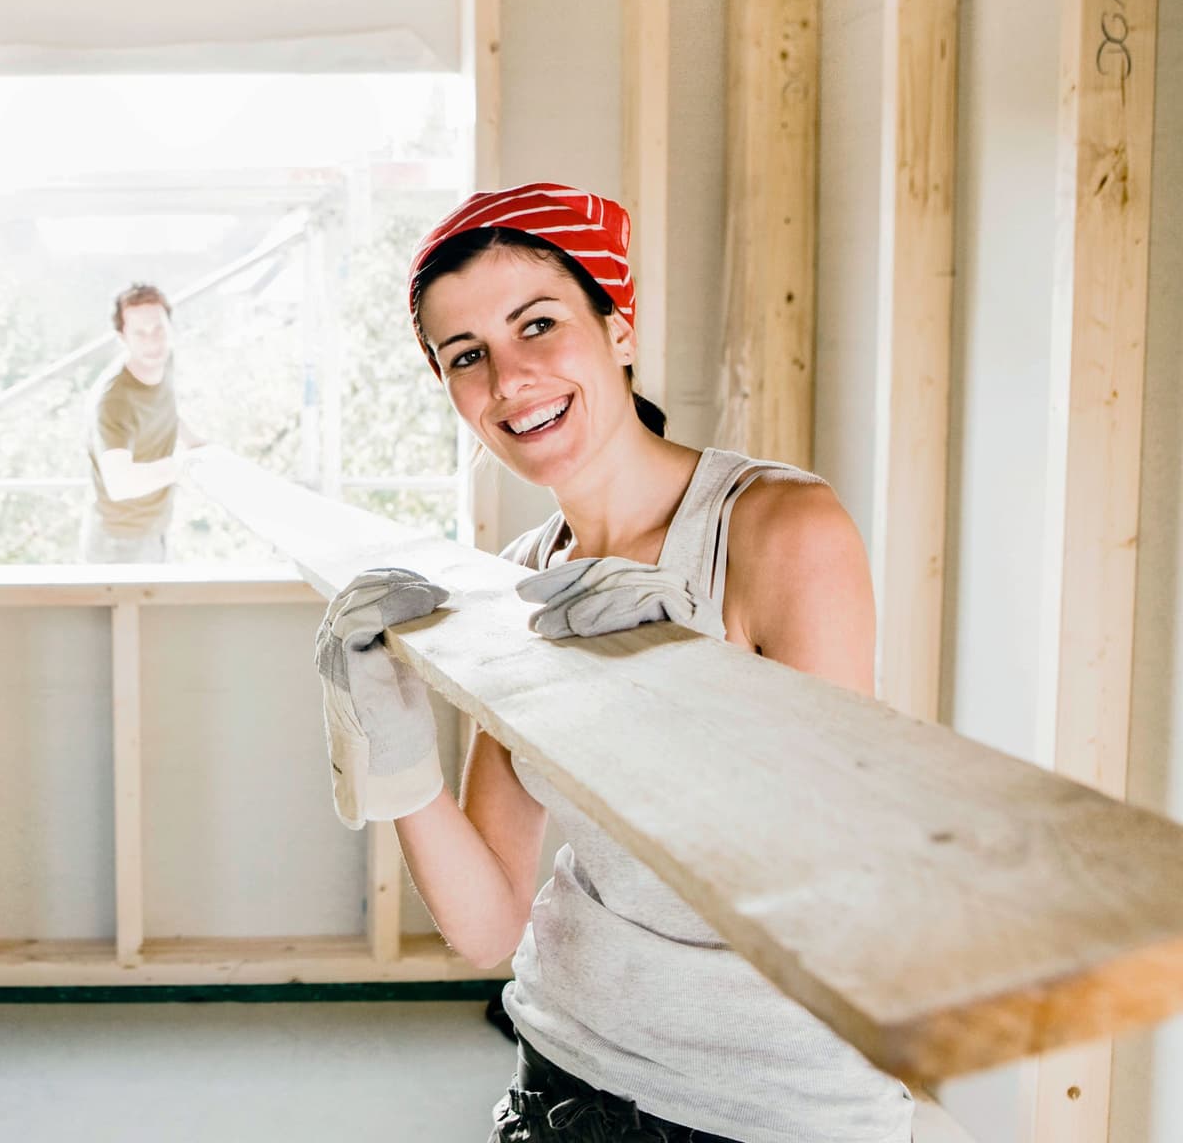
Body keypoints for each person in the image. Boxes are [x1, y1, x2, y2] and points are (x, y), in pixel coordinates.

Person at [313, 183, 915, 1142]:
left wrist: (669, 684)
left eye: (538, 325)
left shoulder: (776, 528)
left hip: (770, 1109)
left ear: (619, 330)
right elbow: (489, 924)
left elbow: (831, 889)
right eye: (467, 356)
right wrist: (393, 746)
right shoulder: (521, 584)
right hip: (566, 1075)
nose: (510, 379)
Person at [81, 283, 203, 563]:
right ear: (122, 337)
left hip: (155, 528)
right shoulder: (114, 401)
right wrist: (184, 466)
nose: (152, 341)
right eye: (140, 333)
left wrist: (198, 444)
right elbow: (119, 483)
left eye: (159, 329)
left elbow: (164, 409)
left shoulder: (163, 360)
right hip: (117, 543)